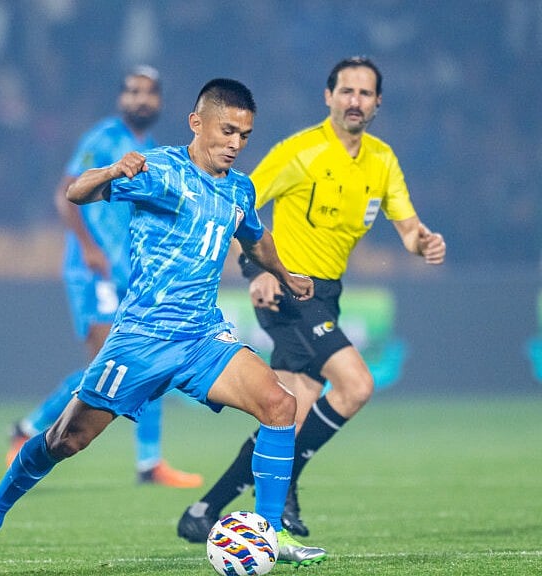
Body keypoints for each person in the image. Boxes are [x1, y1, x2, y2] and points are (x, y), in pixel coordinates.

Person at [0, 79, 328, 576]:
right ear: (197, 123)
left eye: (244, 135)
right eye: (227, 131)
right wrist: (112, 170)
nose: (235, 143)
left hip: (202, 338)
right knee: (65, 440)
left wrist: (285, 274)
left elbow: (254, 238)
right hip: (142, 339)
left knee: (280, 405)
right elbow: (77, 192)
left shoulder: (240, 187)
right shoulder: (159, 170)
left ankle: (271, 531)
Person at [177, 57, 447, 543]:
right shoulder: (299, 152)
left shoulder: (382, 160)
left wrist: (421, 241)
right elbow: (237, 204)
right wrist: (255, 271)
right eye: (346, 91)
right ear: (329, 97)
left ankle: (204, 510)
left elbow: (407, 228)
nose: (355, 101)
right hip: (286, 288)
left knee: (290, 413)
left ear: (377, 103)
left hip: (328, 295)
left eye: (365, 93)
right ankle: (284, 487)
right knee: (356, 385)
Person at [6, 65, 201, 488]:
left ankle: (150, 462)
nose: (141, 99)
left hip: (131, 273)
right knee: (105, 365)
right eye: (133, 91)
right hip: (94, 271)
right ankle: (28, 428)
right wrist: (90, 247)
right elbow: (65, 194)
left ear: (160, 101)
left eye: (149, 92)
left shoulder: (149, 148)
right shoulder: (103, 139)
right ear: (121, 98)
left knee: (148, 359)